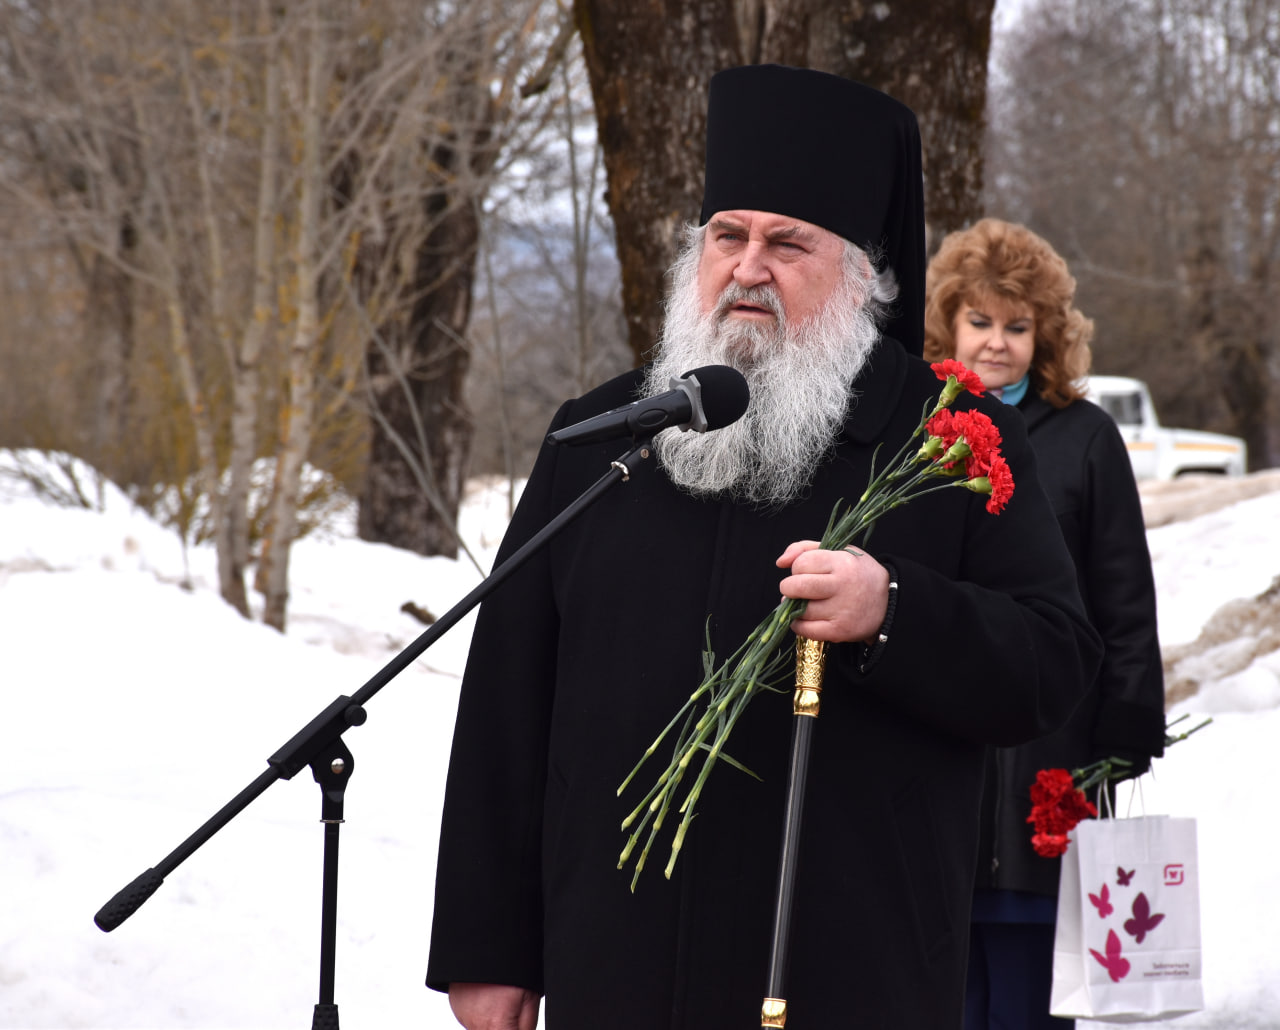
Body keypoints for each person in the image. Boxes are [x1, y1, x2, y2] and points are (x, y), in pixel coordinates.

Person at [427, 66, 1102, 1029]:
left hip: (852, 965)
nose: (748, 267)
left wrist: (894, 612)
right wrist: (489, 946)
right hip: (613, 956)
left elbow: (1054, 658)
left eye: (788, 244)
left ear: (861, 273)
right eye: (728, 236)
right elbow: (507, 701)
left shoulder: (946, 437)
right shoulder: (602, 433)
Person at [923, 217, 1167, 1030]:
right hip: (939, 755)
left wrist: (1125, 723)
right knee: (940, 983)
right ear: (948, 326)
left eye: (1017, 327)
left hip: (1050, 755)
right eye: (980, 322)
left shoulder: (1087, 439)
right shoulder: (921, 435)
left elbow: (1124, 598)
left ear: (1047, 335)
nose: (996, 344)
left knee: (1030, 994)